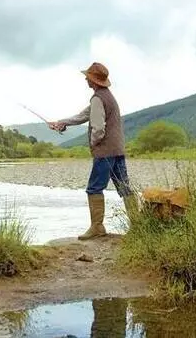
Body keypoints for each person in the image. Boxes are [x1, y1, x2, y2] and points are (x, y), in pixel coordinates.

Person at [49, 62, 138, 240]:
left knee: (94, 188)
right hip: (117, 150)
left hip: (105, 152)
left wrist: (94, 143)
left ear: (93, 80)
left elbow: (98, 128)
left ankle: (97, 227)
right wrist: (62, 122)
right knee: (124, 187)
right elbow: (82, 116)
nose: (85, 79)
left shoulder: (98, 98)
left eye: (87, 77)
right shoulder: (107, 96)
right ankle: (138, 225)